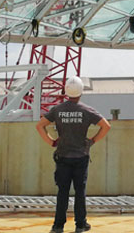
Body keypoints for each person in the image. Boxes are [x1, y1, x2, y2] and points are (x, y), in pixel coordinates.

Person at [36, 76, 111, 233]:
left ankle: (58, 226)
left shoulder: (57, 110)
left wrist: (51, 142)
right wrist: (92, 141)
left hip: (63, 157)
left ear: (66, 91)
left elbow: (40, 126)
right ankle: (80, 224)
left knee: (62, 192)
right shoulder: (86, 110)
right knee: (80, 192)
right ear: (81, 92)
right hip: (80, 157)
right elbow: (106, 126)